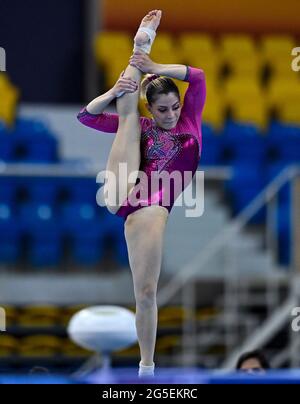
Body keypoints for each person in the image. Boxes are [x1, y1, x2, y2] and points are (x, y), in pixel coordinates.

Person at [77, 10, 206, 377]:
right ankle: (139, 42)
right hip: (124, 189)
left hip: (151, 207)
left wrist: (155, 64)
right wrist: (115, 91)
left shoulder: (189, 121)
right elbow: (86, 116)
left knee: (145, 293)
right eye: (162, 109)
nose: (169, 114)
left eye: (174, 107)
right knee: (128, 119)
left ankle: (145, 367)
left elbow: (197, 77)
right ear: (153, 106)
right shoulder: (144, 121)